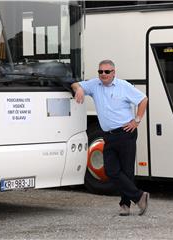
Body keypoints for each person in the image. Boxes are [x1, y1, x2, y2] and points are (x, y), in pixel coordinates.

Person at [71, 59, 149, 216]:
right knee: (111, 170)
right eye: (100, 72)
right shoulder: (94, 85)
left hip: (126, 133)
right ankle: (140, 196)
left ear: (114, 72)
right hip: (108, 135)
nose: (103, 74)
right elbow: (74, 84)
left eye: (107, 71)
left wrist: (137, 120)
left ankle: (125, 205)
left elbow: (143, 99)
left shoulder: (123, 86)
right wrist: (79, 89)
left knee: (127, 171)